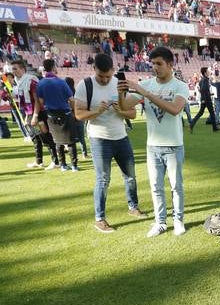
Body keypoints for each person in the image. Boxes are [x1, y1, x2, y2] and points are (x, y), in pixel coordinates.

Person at [117, 46, 189, 237]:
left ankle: (178, 220)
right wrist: (121, 92)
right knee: (156, 187)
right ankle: (160, 222)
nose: (155, 67)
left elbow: (175, 109)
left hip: (173, 145)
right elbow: (124, 106)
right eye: (153, 64)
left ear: (170, 64)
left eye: (159, 63)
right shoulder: (147, 84)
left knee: (176, 186)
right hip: (153, 146)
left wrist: (145, 93)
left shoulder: (180, 86)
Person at [74, 53, 144, 234]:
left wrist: (120, 110)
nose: (105, 80)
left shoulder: (119, 83)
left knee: (130, 176)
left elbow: (132, 114)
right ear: (94, 69)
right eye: (101, 76)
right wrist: (97, 111)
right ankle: (100, 219)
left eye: (108, 76)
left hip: (121, 137)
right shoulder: (85, 85)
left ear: (113, 70)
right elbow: (79, 114)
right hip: (99, 139)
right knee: (103, 180)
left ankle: (133, 207)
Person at [12, 59, 59, 170]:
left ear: (23, 69)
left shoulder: (31, 81)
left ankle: (56, 161)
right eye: (12, 69)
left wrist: (35, 116)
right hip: (29, 113)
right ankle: (39, 161)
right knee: (35, 138)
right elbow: (24, 100)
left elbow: (37, 100)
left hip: (38, 113)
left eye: (15, 69)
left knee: (46, 137)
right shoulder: (19, 82)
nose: (13, 71)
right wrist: (27, 116)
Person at [35, 59, 78, 172]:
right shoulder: (61, 82)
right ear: (54, 67)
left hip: (51, 115)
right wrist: (73, 111)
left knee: (57, 141)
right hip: (65, 113)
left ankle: (63, 165)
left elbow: (41, 102)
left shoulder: (41, 83)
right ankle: (74, 165)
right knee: (71, 141)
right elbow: (71, 99)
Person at [190, 67, 220, 132]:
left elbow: (202, 89)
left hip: (204, 98)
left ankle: (192, 123)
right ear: (205, 72)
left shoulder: (202, 80)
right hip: (207, 99)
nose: (209, 72)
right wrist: (206, 96)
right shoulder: (205, 79)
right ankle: (214, 128)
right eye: (208, 71)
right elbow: (203, 89)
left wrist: (206, 95)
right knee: (212, 113)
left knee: (201, 112)